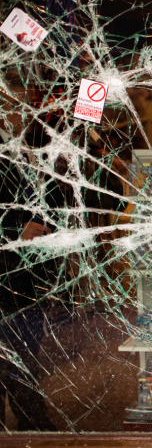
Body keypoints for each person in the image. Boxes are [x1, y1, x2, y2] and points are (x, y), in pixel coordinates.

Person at [0, 107, 58, 431]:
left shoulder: (19, 143)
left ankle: (33, 423)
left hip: (24, 279)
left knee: (23, 357)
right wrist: (15, 233)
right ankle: (34, 424)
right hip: (5, 276)